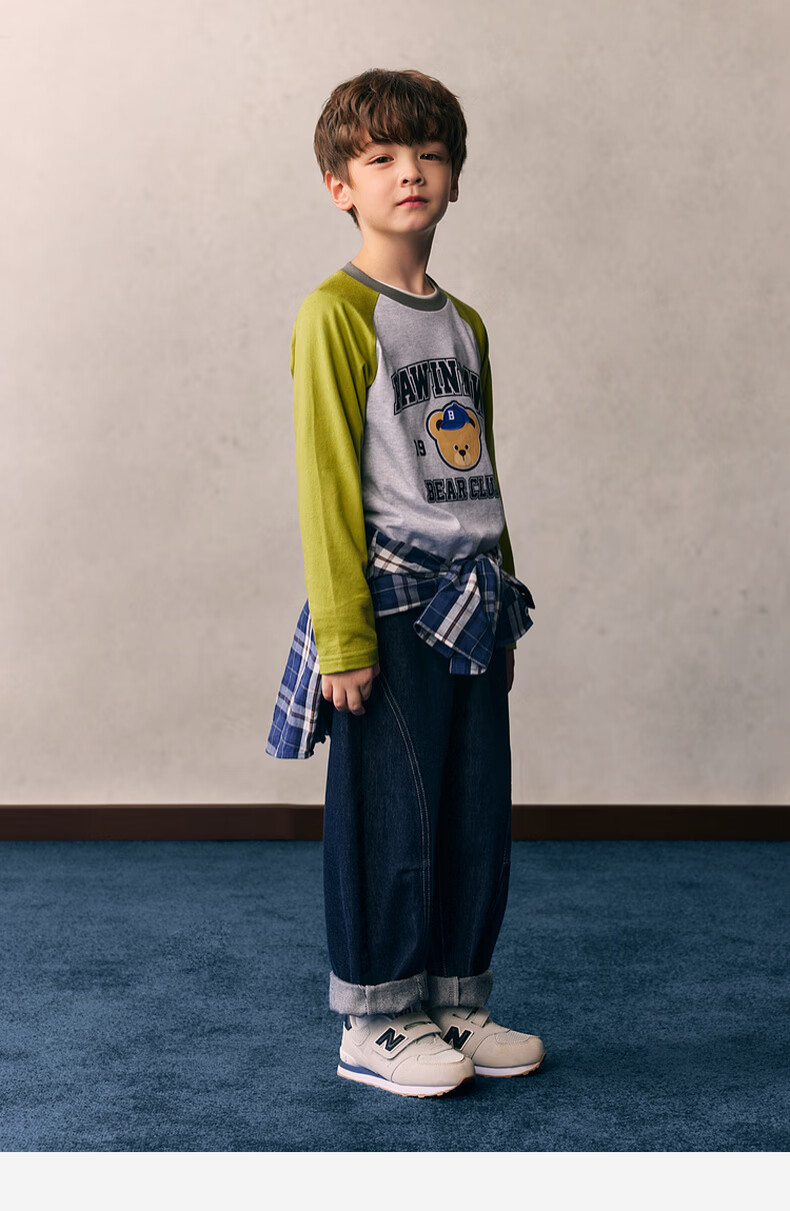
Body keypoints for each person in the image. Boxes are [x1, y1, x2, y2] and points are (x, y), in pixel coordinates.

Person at [267, 67, 545, 1098]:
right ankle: (377, 1017)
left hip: (470, 605)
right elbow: (326, 484)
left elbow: (481, 473)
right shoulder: (335, 314)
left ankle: (455, 997)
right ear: (340, 185)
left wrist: (503, 598)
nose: (409, 171)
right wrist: (344, 638)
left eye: (429, 153)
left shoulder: (464, 323)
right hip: (388, 606)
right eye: (381, 156)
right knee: (391, 816)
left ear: (455, 177)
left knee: (472, 812)